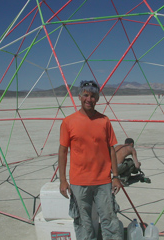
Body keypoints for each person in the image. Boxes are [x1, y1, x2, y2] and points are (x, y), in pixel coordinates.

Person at [58, 80, 123, 240]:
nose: (89, 99)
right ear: (79, 96)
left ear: (98, 98)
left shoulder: (104, 121)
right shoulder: (69, 121)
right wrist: (62, 180)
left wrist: (115, 177)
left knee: (110, 219)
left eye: (93, 96)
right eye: (86, 95)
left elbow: (111, 150)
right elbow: (62, 151)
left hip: (103, 181)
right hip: (79, 182)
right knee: (83, 222)